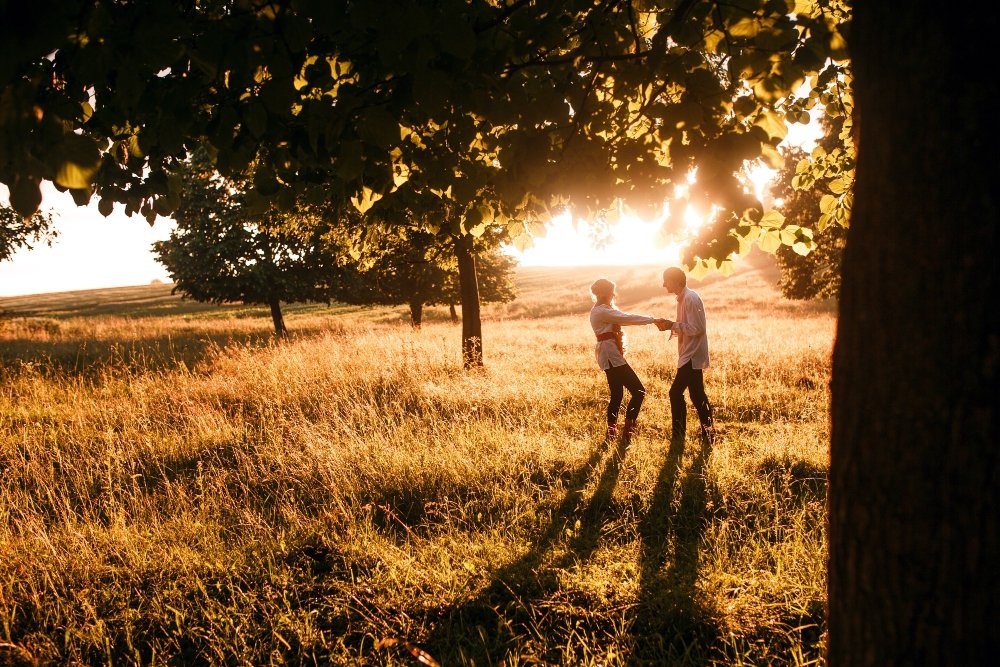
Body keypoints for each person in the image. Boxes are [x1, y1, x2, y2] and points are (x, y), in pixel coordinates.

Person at [589, 278, 668, 441]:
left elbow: (622, 318)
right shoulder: (602, 311)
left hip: (609, 354)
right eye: (611, 291)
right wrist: (652, 320)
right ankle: (627, 432)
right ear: (604, 293)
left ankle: (612, 434)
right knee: (639, 391)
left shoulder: (602, 309)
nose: (613, 294)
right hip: (611, 355)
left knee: (617, 395)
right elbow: (627, 318)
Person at [658, 266, 714, 443]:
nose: (664, 284)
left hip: (692, 355)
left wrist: (672, 325)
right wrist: (671, 325)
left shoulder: (690, 299)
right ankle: (709, 434)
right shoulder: (683, 300)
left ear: (674, 281)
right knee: (697, 396)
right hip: (688, 354)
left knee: (675, 393)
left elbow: (697, 329)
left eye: (666, 280)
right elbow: (687, 327)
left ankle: (678, 435)